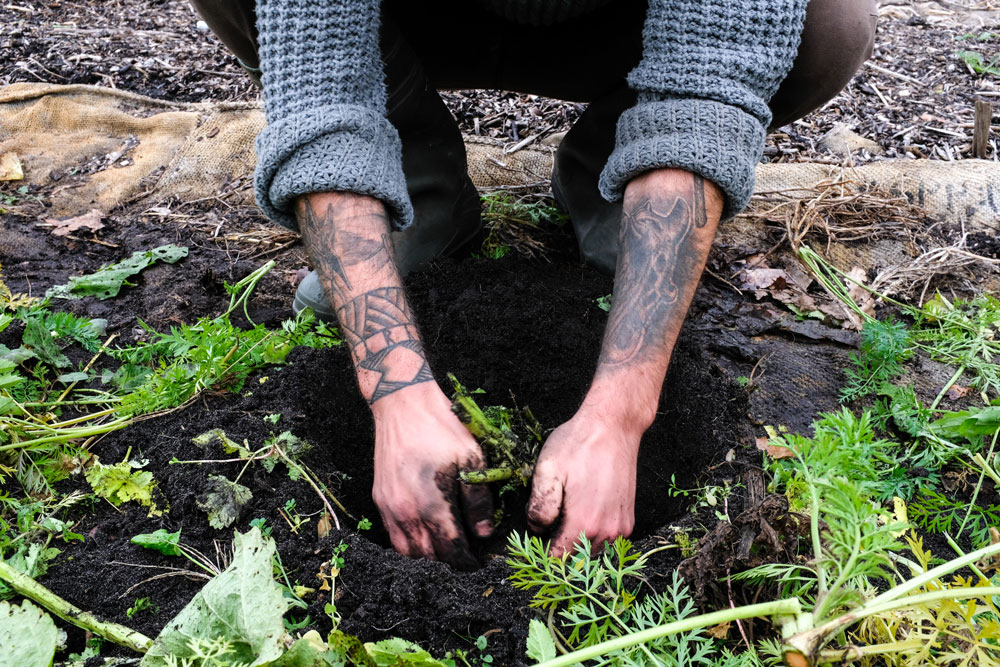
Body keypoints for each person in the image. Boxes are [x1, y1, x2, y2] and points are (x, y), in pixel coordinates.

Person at [189, 0, 877, 569]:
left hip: (614, 25)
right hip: (418, 20)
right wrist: (396, 395)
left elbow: (704, 84)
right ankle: (420, 187)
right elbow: (322, 89)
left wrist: (618, 415)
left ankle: (611, 169)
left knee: (826, 27)